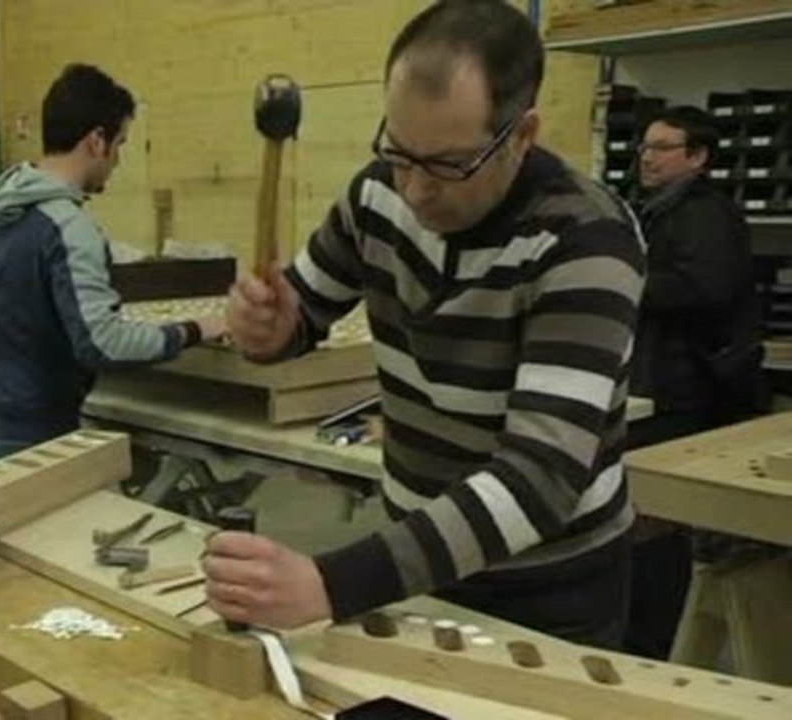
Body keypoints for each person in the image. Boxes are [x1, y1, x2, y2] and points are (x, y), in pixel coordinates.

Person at [207, 0, 645, 649]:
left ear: (521, 134)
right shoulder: (376, 193)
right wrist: (266, 327)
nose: (413, 190)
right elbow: (298, 311)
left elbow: (539, 481)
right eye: (399, 151)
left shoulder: (586, 240)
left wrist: (331, 583)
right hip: (417, 563)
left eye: (446, 165)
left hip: (550, 586)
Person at [0, 64, 224, 467]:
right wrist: (199, 328)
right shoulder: (68, 227)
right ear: (97, 141)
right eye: (121, 144)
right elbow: (104, 344)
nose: (117, 160)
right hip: (34, 438)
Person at [623, 106, 766, 659]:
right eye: (644, 146)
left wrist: (626, 280)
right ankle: (645, 631)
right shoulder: (658, 211)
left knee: (662, 527)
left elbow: (708, 287)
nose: (647, 156)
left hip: (686, 392)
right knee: (645, 520)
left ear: (698, 157)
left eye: (662, 147)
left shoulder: (706, 215)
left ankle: (652, 642)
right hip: (656, 383)